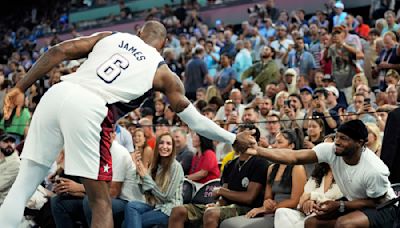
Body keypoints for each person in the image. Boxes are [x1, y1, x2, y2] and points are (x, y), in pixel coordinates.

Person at [0, 21, 249, 228]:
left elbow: (58, 51)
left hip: (58, 92)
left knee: (22, 187)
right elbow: (194, 119)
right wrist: (232, 138)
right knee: (100, 204)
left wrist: (20, 87)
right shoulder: (162, 72)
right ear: (162, 45)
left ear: (139, 32)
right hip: (92, 107)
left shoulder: (112, 36)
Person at [242, 120, 397, 227]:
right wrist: (258, 150)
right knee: (311, 223)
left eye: (344, 139)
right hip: (354, 203)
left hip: (384, 209)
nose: (337, 141)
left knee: (345, 224)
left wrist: (341, 205)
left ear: (360, 143)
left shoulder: (374, 169)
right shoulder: (331, 150)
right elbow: (294, 157)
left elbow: (378, 202)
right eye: (336, 136)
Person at [168, 124, 269, 228]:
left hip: (247, 208)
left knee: (211, 214)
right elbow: (224, 196)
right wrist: (218, 203)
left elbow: (249, 198)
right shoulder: (230, 164)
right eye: (235, 135)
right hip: (226, 207)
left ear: (253, 139)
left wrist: (221, 191)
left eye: (241, 136)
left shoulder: (260, 163)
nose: (236, 138)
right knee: (178, 210)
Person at [124, 132, 183, 227]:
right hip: (155, 206)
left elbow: (166, 197)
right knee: (131, 206)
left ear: (173, 147)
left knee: (127, 223)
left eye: (168, 144)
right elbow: (144, 191)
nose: (164, 146)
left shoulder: (175, 166)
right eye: (161, 143)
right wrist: (139, 170)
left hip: (168, 210)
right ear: (157, 145)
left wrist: (145, 177)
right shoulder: (156, 164)